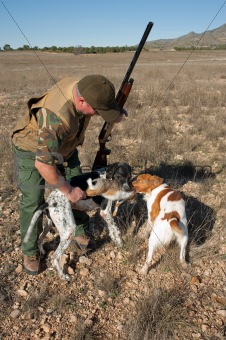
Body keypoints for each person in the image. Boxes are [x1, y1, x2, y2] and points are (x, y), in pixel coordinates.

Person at [11, 74, 127, 275]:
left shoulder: (87, 85)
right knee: (33, 200)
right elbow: (44, 165)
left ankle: (78, 230)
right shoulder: (55, 119)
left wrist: (112, 111)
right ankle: (30, 251)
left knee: (81, 184)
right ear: (81, 101)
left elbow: (98, 98)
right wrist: (68, 190)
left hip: (67, 145)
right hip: (32, 150)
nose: (98, 115)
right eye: (98, 111)